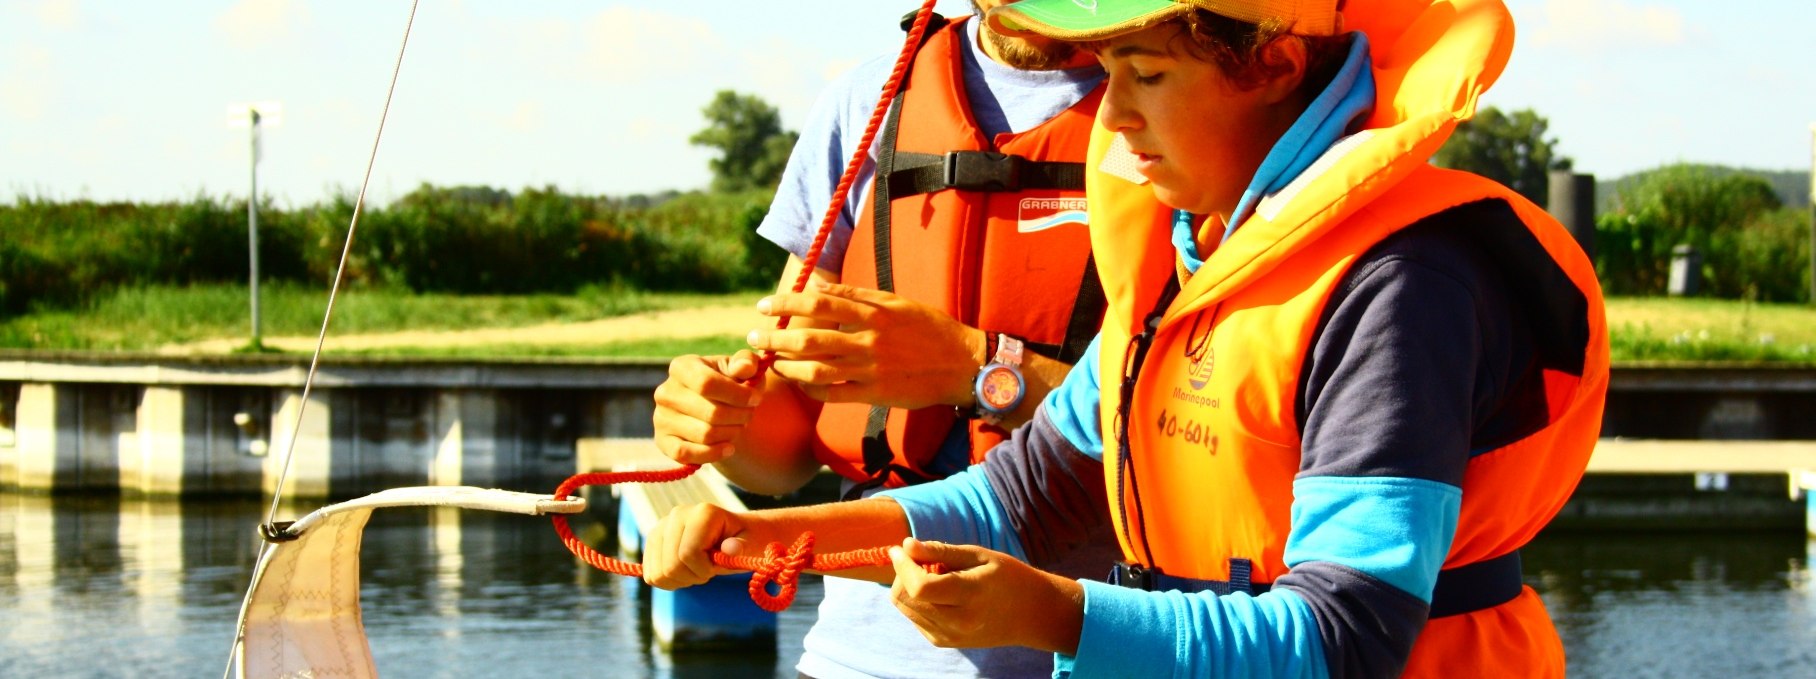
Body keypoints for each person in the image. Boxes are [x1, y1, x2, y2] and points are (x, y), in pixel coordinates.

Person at [647, 0, 1610, 676]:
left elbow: (1345, 638)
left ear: (1274, 62)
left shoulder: (1403, 286)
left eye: (1146, 73)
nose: (1111, 120)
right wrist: (775, 534)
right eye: (1105, 74)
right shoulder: (1190, 259)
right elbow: (1018, 493)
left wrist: (1053, 612)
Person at [648, 2, 1113, 677]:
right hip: (854, 656)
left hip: (1104, 644)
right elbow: (788, 446)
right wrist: (720, 422)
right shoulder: (869, 100)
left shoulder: (1169, 98)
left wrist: (975, 368)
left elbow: (1189, 424)